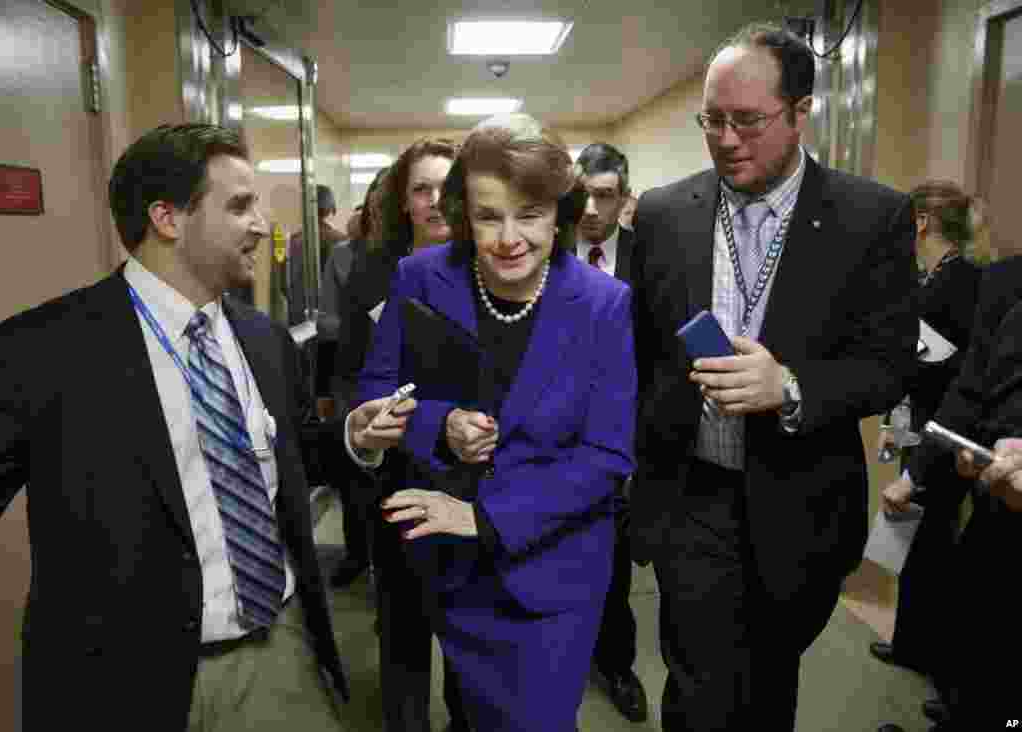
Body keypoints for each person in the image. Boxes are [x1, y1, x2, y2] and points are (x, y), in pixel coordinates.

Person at [0, 123, 408, 731]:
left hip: (279, 653)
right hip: (124, 682)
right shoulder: (42, 350)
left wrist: (351, 435)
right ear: (167, 217)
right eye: (239, 205)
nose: (262, 224)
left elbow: (294, 457)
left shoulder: (264, 341)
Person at [629, 23, 917, 730]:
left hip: (802, 505)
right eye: (712, 120)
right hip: (691, 497)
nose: (726, 140)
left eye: (748, 121)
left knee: (766, 688)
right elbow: (639, 355)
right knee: (697, 691)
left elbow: (886, 367)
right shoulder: (664, 215)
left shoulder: (870, 217)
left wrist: (788, 387)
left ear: (800, 112)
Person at [352, 113, 637, 732]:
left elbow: (608, 455)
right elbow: (378, 390)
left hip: (551, 573)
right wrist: (439, 422)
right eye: (488, 216)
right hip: (451, 568)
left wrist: (486, 517)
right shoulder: (421, 278)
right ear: (462, 214)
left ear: (560, 214)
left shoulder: (602, 303)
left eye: (530, 215)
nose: (509, 238)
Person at [331, 138, 468, 732]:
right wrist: (362, 433)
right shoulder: (372, 270)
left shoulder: (488, 266)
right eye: (421, 188)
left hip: (467, 473)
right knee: (402, 625)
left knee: (467, 626)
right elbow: (352, 376)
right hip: (393, 475)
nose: (435, 200)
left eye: (445, 186)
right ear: (404, 201)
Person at [882, 255, 1022, 732]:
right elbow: (970, 389)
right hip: (995, 494)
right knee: (982, 629)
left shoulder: (971, 279)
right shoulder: (1006, 280)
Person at [870, 182, 981, 685]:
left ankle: (928, 651)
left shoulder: (955, 284)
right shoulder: (936, 279)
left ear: (919, 222)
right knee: (914, 535)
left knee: (930, 540)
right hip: (920, 424)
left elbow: (937, 370)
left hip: (940, 433)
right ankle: (911, 642)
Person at [573, 141, 647, 722]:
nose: (593, 208)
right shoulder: (543, 254)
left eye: (606, 195)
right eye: (586, 193)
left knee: (614, 566)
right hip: (557, 441)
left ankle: (617, 665)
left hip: (624, 445)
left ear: (624, 198)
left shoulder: (650, 258)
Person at [318, 168, 387, 588]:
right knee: (352, 476)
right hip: (351, 378)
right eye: (376, 202)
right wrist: (360, 325)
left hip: (401, 383)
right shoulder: (344, 256)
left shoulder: (410, 256)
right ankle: (357, 553)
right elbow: (325, 322)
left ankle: (392, 560)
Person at [287, 183, 344, 326]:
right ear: (332, 208)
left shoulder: (293, 241)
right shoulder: (341, 241)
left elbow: (286, 284)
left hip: (297, 318)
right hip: (330, 321)